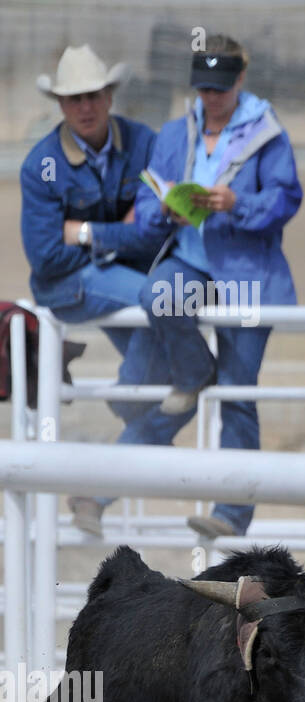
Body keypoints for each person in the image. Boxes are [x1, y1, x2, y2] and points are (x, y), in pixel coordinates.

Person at [129, 35, 302, 540]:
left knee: (239, 394)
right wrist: (162, 207)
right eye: (204, 89)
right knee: (156, 295)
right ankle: (193, 367)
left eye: (220, 88)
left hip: (248, 275)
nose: (212, 97)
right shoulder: (176, 133)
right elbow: (145, 206)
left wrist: (235, 204)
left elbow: (286, 199)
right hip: (192, 262)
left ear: (240, 80)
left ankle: (232, 509)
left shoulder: (267, 133)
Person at [19, 45, 167, 536]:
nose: (85, 107)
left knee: (177, 392)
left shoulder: (143, 142)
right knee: (158, 306)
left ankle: (93, 496)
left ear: (109, 95)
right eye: (74, 98)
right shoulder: (41, 163)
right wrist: (116, 236)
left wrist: (79, 231)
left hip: (111, 277)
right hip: (68, 287)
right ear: (61, 105)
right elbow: (44, 255)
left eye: (92, 95)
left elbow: (153, 229)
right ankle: (131, 399)